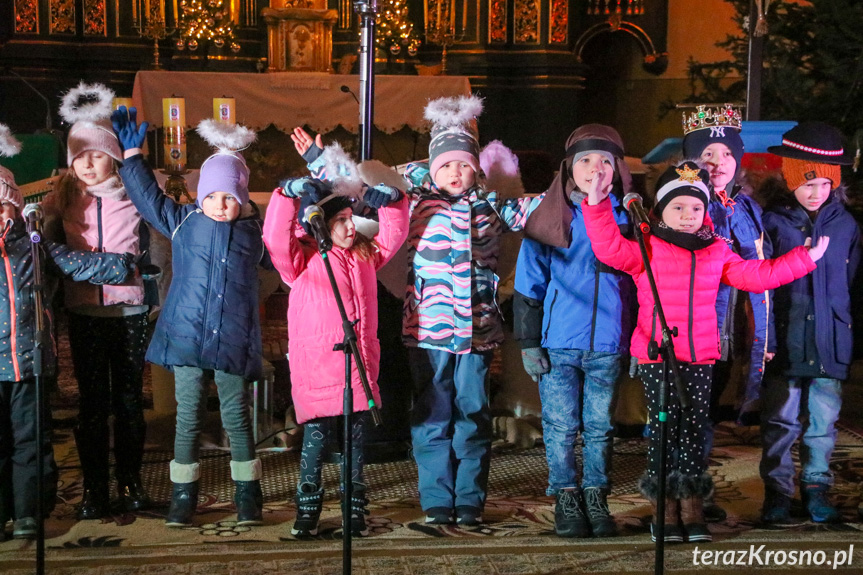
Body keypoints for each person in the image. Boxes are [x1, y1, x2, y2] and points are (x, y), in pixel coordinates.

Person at [582, 160, 828, 543]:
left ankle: (692, 506)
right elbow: (610, 248)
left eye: (696, 208)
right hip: (658, 356)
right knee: (665, 433)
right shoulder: (646, 248)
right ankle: (664, 509)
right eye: (678, 207)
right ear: (661, 210)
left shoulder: (715, 251)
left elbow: (755, 275)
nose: (687, 215)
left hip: (699, 356)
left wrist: (804, 260)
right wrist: (596, 205)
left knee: (694, 434)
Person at [111, 109, 270, 528]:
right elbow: (148, 197)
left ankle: (247, 494)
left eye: (230, 198)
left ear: (243, 198)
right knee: (189, 415)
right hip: (186, 335)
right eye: (214, 196)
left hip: (233, 337)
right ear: (200, 197)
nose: (221, 205)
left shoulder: (255, 234)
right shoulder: (182, 223)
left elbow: (290, 248)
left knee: (236, 415)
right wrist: (132, 155)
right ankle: (183, 495)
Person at [403, 95, 534, 527]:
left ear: (476, 169)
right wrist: (316, 158)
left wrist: (579, 193)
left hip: (478, 330)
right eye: (446, 165)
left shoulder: (490, 203)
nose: (455, 173)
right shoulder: (414, 202)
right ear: (433, 167)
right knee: (433, 414)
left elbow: (536, 213)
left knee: (473, 414)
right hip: (429, 330)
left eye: (464, 165)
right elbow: (360, 187)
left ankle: (470, 498)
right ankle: (437, 497)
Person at [0, 125, 137, 539]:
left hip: (33, 355)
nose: (88, 163)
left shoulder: (32, 243)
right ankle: (11, 508)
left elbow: (67, 260)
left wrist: (123, 267)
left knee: (35, 437)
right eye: (80, 156)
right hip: (30, 344)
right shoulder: (57, 207)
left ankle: (32, 509)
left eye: (2, 205)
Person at [262, 151, 409, 537]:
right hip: (319, 369)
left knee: (355, 443)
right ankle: (307, 509)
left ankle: (353, 510)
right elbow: (275, 238)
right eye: (340, 220)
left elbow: (393, 235)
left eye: (350, 219)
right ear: (321, 224)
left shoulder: (364, 256)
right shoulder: (302, 260)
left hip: (357, 366)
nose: (348, 227)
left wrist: (394, 201)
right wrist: (286, 194)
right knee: (315, 442)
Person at [42, 83, 158, 519]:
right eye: (79, 156)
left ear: (112, 154)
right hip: (84, 311)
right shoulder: (62, 199)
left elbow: (159, 245)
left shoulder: (134, 196)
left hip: (129, 310)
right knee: (92, 403)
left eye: (96, 154)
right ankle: (94, 487)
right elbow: (48, 255)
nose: (88, 164)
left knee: (129, 399)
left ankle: (130, 481)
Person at [512, 125, 634, 538]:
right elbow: (529, 283)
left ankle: (596, 496)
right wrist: (528, 342)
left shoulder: (629, 218)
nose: (595, 169)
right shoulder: (549, 217)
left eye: (605, 161)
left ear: (618, 169)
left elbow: (639, 285)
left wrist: (636, 340)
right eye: (585, 160)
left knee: (599, 427)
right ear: (569, 168)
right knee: (561, 426)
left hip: (607, 342)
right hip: (559, 341)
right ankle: (566, 495)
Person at [758, 122, 861, 525]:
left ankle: (817, 487)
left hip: (830, 338)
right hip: (784, 336)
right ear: (789, 176)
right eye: (807, 183)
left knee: (823, 421)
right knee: (780, 420)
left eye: (824, 184)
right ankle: (778, 492)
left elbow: (852, 284)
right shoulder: (772, 221)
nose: (816, 192)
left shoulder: (847, 225)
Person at [681, 105, 772, 522]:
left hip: (734, 329)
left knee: (710, 411)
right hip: (696, 328)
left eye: (726, 155)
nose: (717, 164)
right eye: (707, 156)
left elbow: (762, 266)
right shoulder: (684, 204)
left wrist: (765, 333)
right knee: (690, 415)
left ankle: (698, 489)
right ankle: (686, 495)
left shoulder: (748, 208)